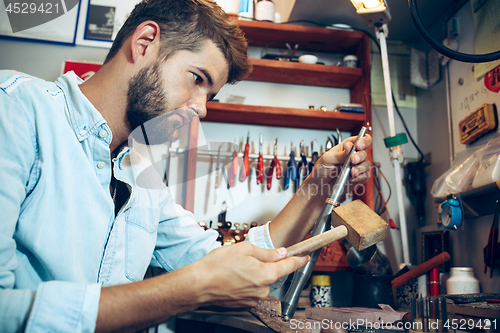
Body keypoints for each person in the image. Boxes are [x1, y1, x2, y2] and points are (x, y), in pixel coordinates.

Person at [0, 0, 372, 332]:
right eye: (197, 79)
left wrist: (317, 183)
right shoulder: (16, 110)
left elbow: (236, 263)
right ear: (144, 42)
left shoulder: (140, 175)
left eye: (210, 94)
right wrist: (191, 287)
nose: (202, 108)